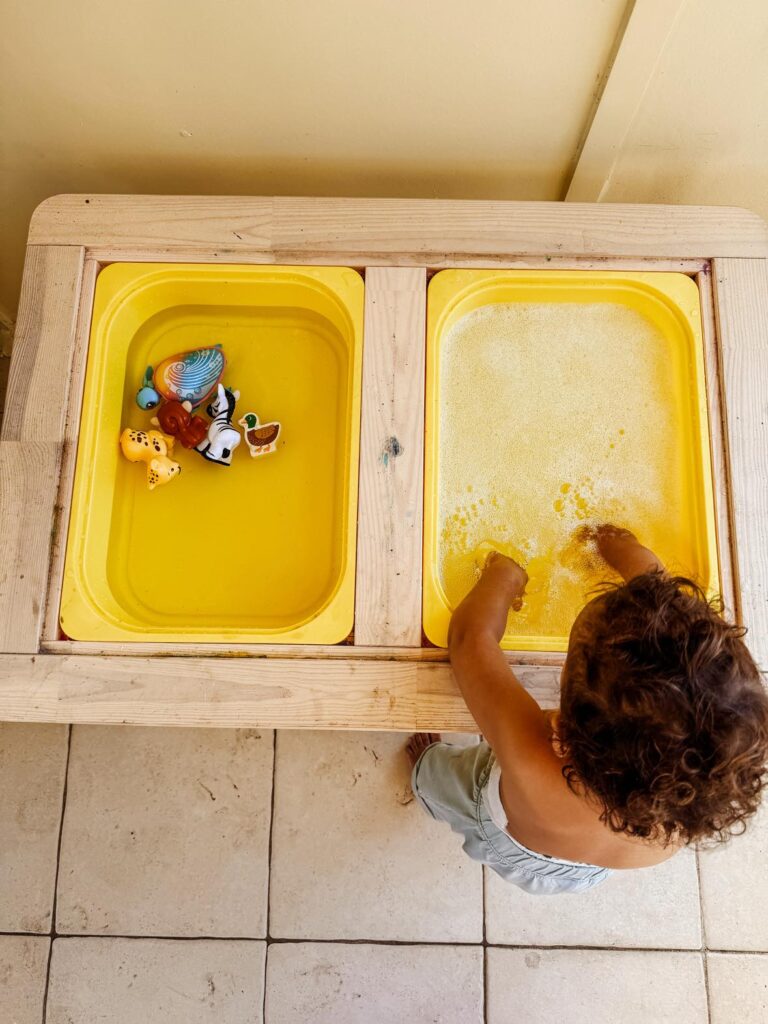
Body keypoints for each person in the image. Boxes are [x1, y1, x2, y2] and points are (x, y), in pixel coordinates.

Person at [407, 525, 768, 895]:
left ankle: (423, 777)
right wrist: (620, 546)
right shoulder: (680, 808)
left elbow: (470, 640)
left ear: (560, 733)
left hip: (506, 838)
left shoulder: (534, 759)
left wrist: (505, 573)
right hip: (581, 870)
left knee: (444, 778)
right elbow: (660, 596)